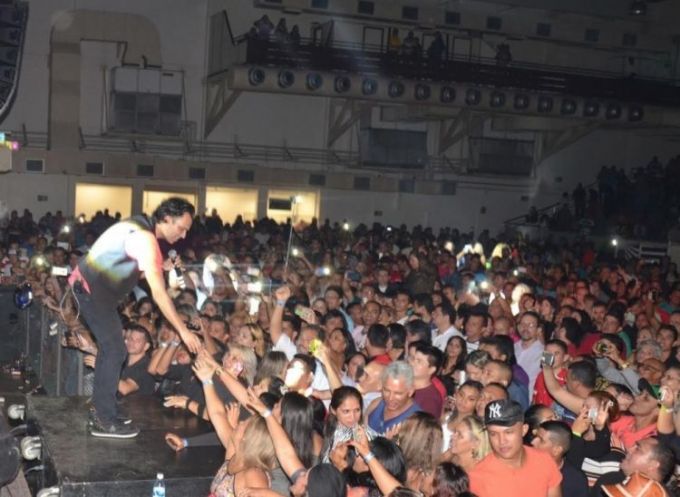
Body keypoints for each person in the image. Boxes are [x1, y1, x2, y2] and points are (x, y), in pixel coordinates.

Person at [69, 197, 201, 438]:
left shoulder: (139, 225)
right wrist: (183, 331)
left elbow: (125, 268)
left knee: (113, 349)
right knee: (114, 350)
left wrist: (160, 268)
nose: (183, 235)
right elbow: (159, 294)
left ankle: (104, 408)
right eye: (181, 228)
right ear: (167, 219)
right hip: (91, 292)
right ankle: (103, 418)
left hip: (91, 290)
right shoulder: (146, 240)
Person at [468, 399, 562, 497]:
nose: (502, 441)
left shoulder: (544, 461)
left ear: (524, 430)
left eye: (508, 432)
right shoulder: (477, 478)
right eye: (493, 434)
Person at [531, 420, 589, 497]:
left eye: (541, 440)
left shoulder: (575, 479)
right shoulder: (522, 465)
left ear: (556, 450)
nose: (533, 442)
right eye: (535, 437)